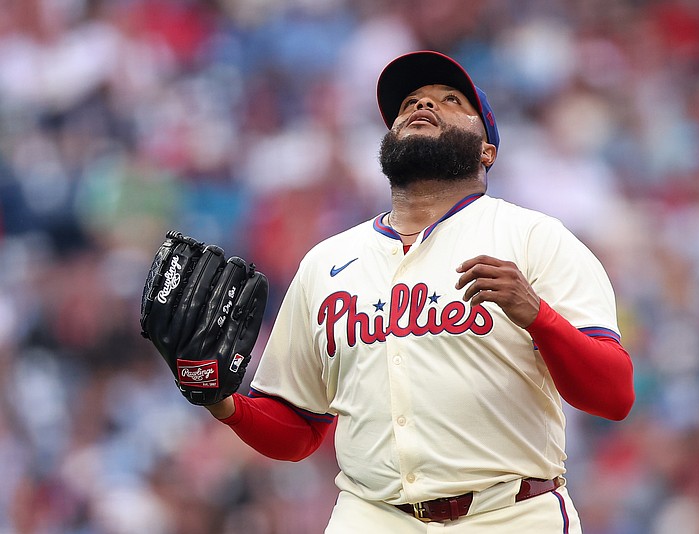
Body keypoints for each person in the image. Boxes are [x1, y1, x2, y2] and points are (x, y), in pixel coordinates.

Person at [205, 50, 635, 533]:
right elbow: (300, 429)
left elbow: (614, 395)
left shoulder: (534, 238)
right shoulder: (325, 263)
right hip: (371, 516)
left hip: (510, 513)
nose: (422, 106)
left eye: (449, 100)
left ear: (485, 151)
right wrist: (222, 401)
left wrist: (538, 316)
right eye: (410, 102)